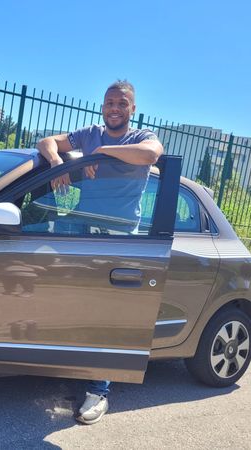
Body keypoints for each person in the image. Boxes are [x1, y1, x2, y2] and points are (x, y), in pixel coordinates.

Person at [35, 80, 163, 425]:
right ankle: (56, 359)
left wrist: (101, 153)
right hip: (80, 230)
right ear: (102, 106)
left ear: (132, 108)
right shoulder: (89, 133)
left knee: (107, 315)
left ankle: (99, 390)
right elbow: (46, 141)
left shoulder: (140, 137)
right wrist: (56, 160)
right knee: (67, 299)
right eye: (109, 103)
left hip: (117, 238)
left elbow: (151, 155)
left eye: (121, 103)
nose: (114, 109)